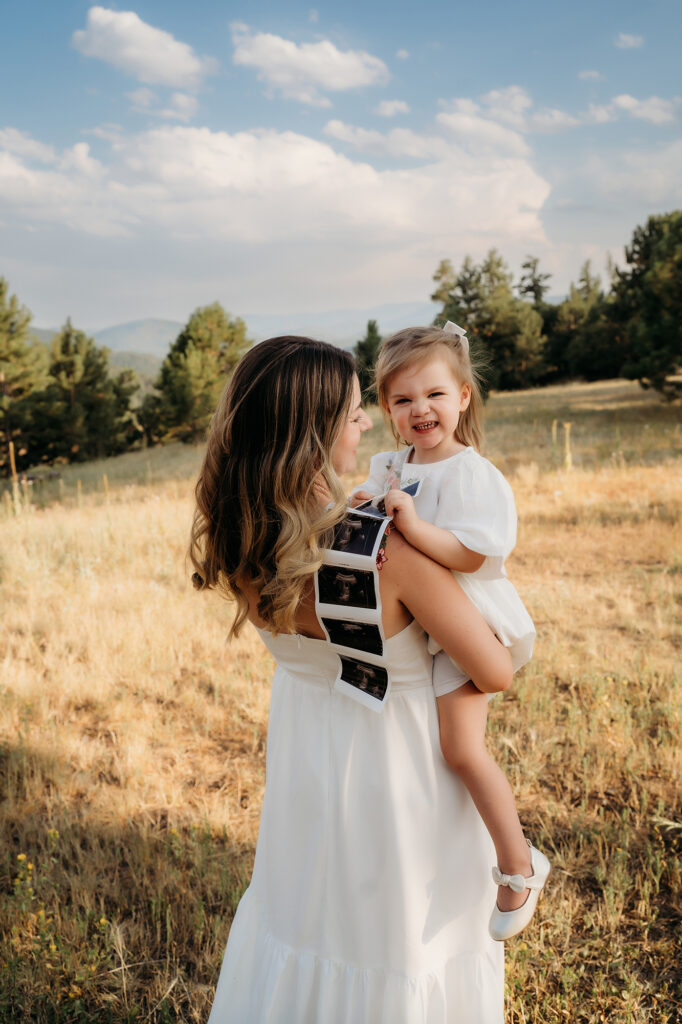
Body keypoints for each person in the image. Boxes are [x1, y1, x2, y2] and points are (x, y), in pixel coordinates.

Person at [191, 335, 514, 1023]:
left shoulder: (246, 540)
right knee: (402, 953)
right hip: (401, 776)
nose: (367, 423)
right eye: (354, 412)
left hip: (309, 765)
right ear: (312, 432)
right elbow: (492, 668)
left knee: (309, 928)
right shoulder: (385, 551)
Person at [352, 322, 550, 942]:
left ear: (463, 396)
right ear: (386, 408)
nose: (421, 410)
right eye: (404, 400)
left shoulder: (471, 475)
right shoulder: (389, 464)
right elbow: (365, 506)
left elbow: (469, 556)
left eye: (435, 395)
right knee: (417, 750)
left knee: (461, 750)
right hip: (419, 627)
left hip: (469, 625)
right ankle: (436, 860)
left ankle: (519, 866)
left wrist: (411, 525)